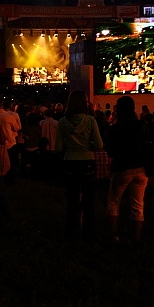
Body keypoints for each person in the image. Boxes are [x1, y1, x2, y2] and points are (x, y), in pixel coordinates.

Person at [55, 90, 103, 241]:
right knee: (89, 201)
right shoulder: (90, 120)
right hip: (88, 162)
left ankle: (71, 232)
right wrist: (88, 145)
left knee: (72, 200)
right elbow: (99, 145)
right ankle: (90, 234)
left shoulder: (63, 121)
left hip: (70, 162)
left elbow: (57, 148)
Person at [104, 95, 148, 242]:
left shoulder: (115, 128)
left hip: (122, 168)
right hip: (141, 168)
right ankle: (137, 237)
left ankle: (113, 235)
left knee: (113, 202)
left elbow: (109, 150)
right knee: (137, 204)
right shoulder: (141, 126)